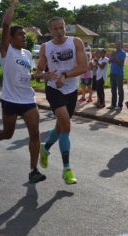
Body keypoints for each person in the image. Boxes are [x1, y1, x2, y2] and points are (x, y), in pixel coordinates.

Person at [0, 0, 45, 183]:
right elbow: (5, 24)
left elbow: (31, 74)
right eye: (20, 34)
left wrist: (42, 76)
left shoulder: (27, 54)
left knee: (34, 134)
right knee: (8, 133)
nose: (24, 37)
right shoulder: (6, 51)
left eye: (25, 35)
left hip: (28, 99)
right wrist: (12, 5)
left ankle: (34, 170)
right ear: (10, 38)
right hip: (10, 100)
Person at [35, 16, 87, 185]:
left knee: (60, 126)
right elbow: (38, 72)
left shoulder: (76, 42)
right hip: (53, 90)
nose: (58, 31)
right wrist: (43, 75)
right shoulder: (45, 47)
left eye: (61, 28)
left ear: (65, 28)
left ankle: (46, 148)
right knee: (66, 126)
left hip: (71, 90)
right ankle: (67, 169)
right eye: (54, 29)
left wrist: (64, 75)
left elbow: (83, 67)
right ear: (50, 30)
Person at [108, 40, 126, 111]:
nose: (117, 46)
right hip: (112, 73)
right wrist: (112, 56)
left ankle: (120, 105)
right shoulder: (113, 52)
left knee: (120, 90)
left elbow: (120, 62)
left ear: (121, 45)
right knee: (113, 90)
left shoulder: (123, 53)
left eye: (118, 44)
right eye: (116, 44)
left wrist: (114, 56)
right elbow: (109, 61)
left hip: (119, 74)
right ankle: (113, 104)